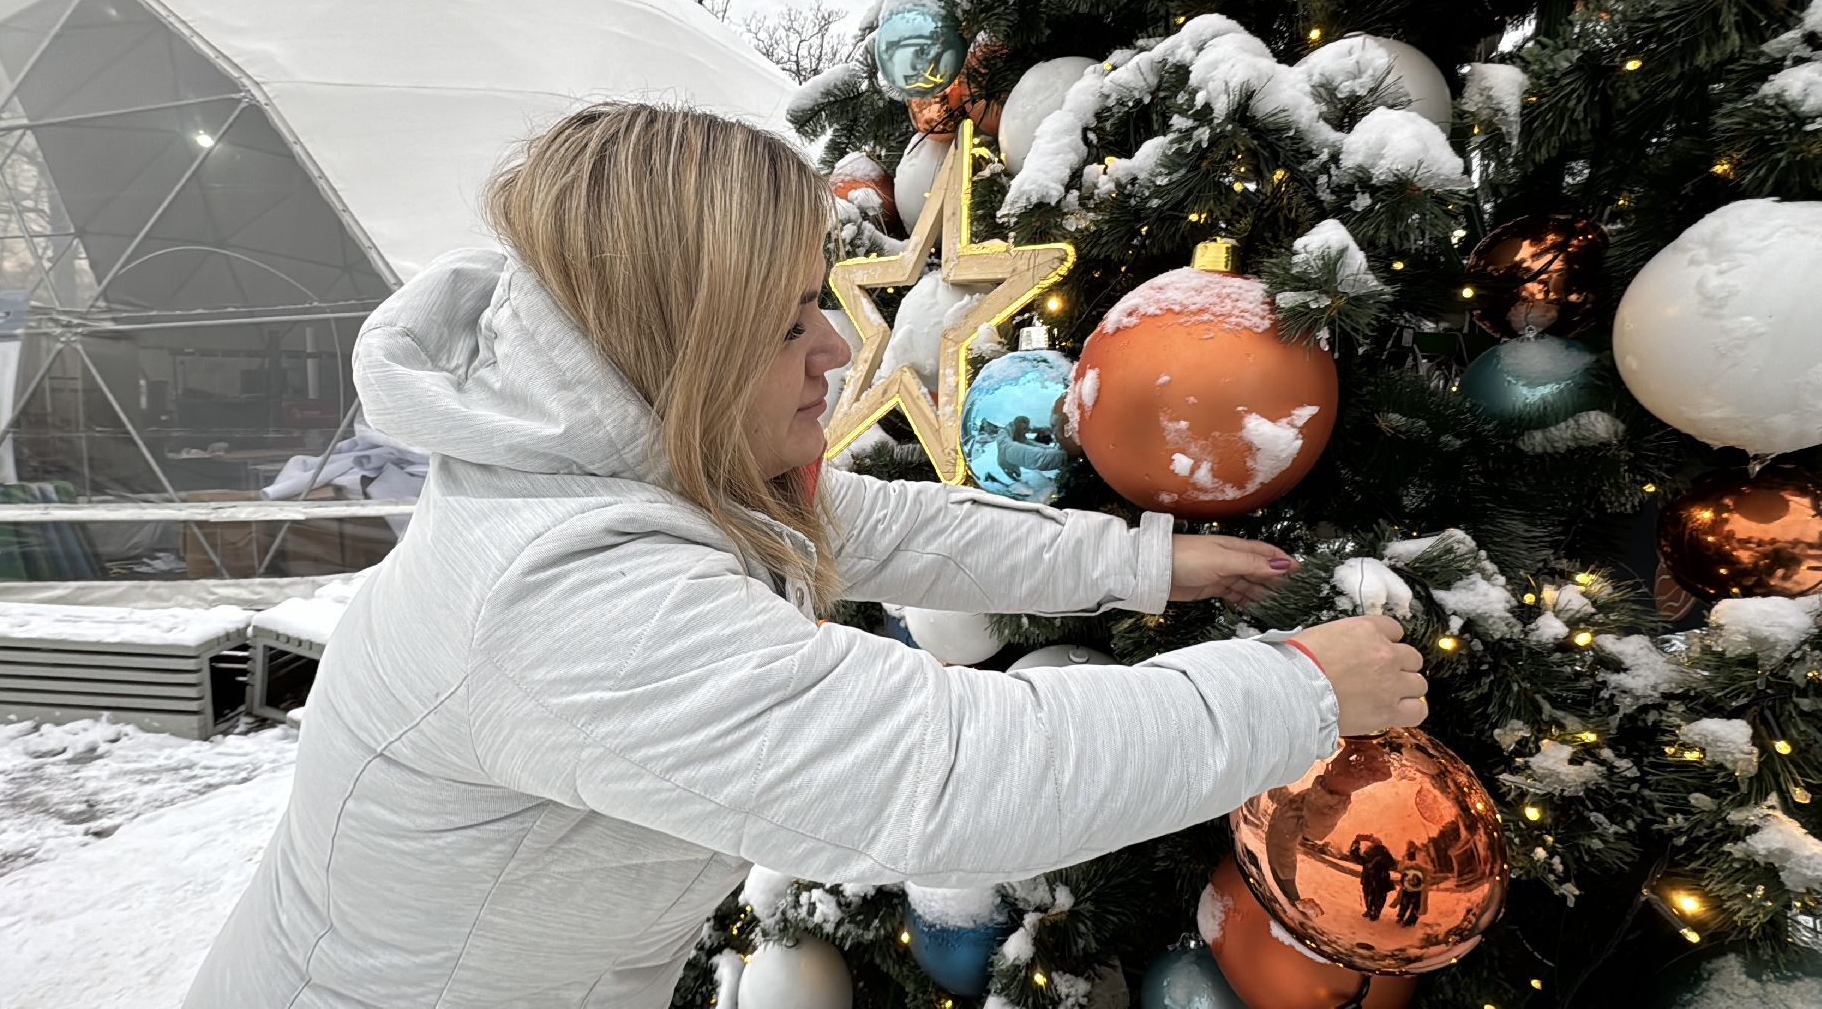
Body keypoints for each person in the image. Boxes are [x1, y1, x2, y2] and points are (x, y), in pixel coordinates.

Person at [184, 103, 1427, 1008]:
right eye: (787, 320)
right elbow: (952, 778)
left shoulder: (638, 459)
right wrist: (1308, 691)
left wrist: (1154, 566)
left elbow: (886, 526)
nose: (837, 347)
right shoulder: (564, 591)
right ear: (683, 349)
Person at [1348, 834, 1398, 920]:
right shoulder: (1368, 852)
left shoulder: (1384, 852)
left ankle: (1375, 913)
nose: (1371, 843)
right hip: (1369, 878)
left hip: (1380, 880)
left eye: (1373, 842)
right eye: (1371, 842)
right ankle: (1370, 910)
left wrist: (1381, 859)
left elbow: (1392, 864)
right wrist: (1355, 849)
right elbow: (1361, 860)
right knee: (1369, 895)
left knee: (1378, 897)